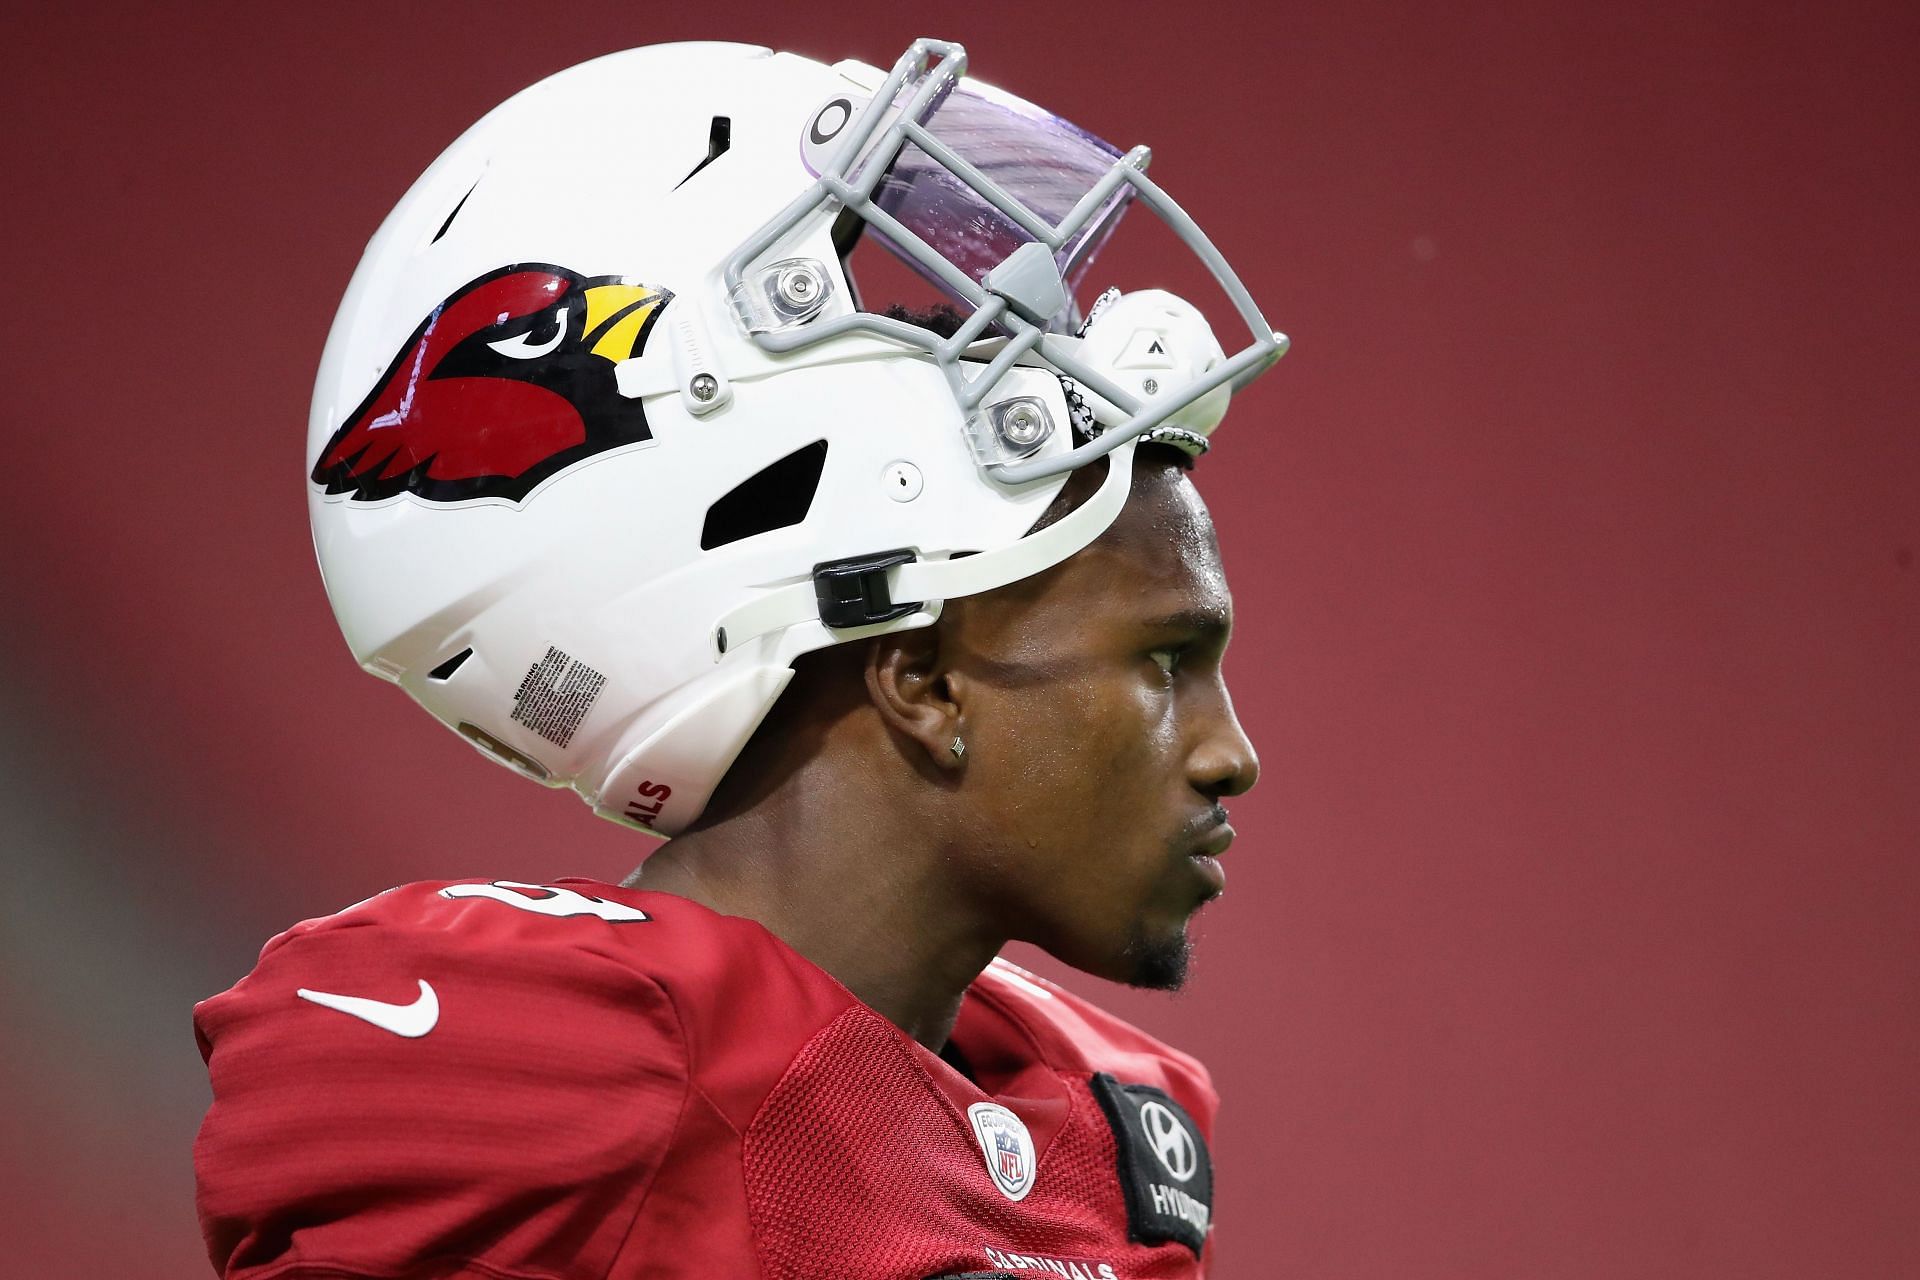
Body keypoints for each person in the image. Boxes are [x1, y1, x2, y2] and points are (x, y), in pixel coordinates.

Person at [195, 36, 1287, 1280]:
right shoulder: (566, 1057)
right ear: (920, 677)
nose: (1231, 754)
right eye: (1163, 659)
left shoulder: (1108, 1123)